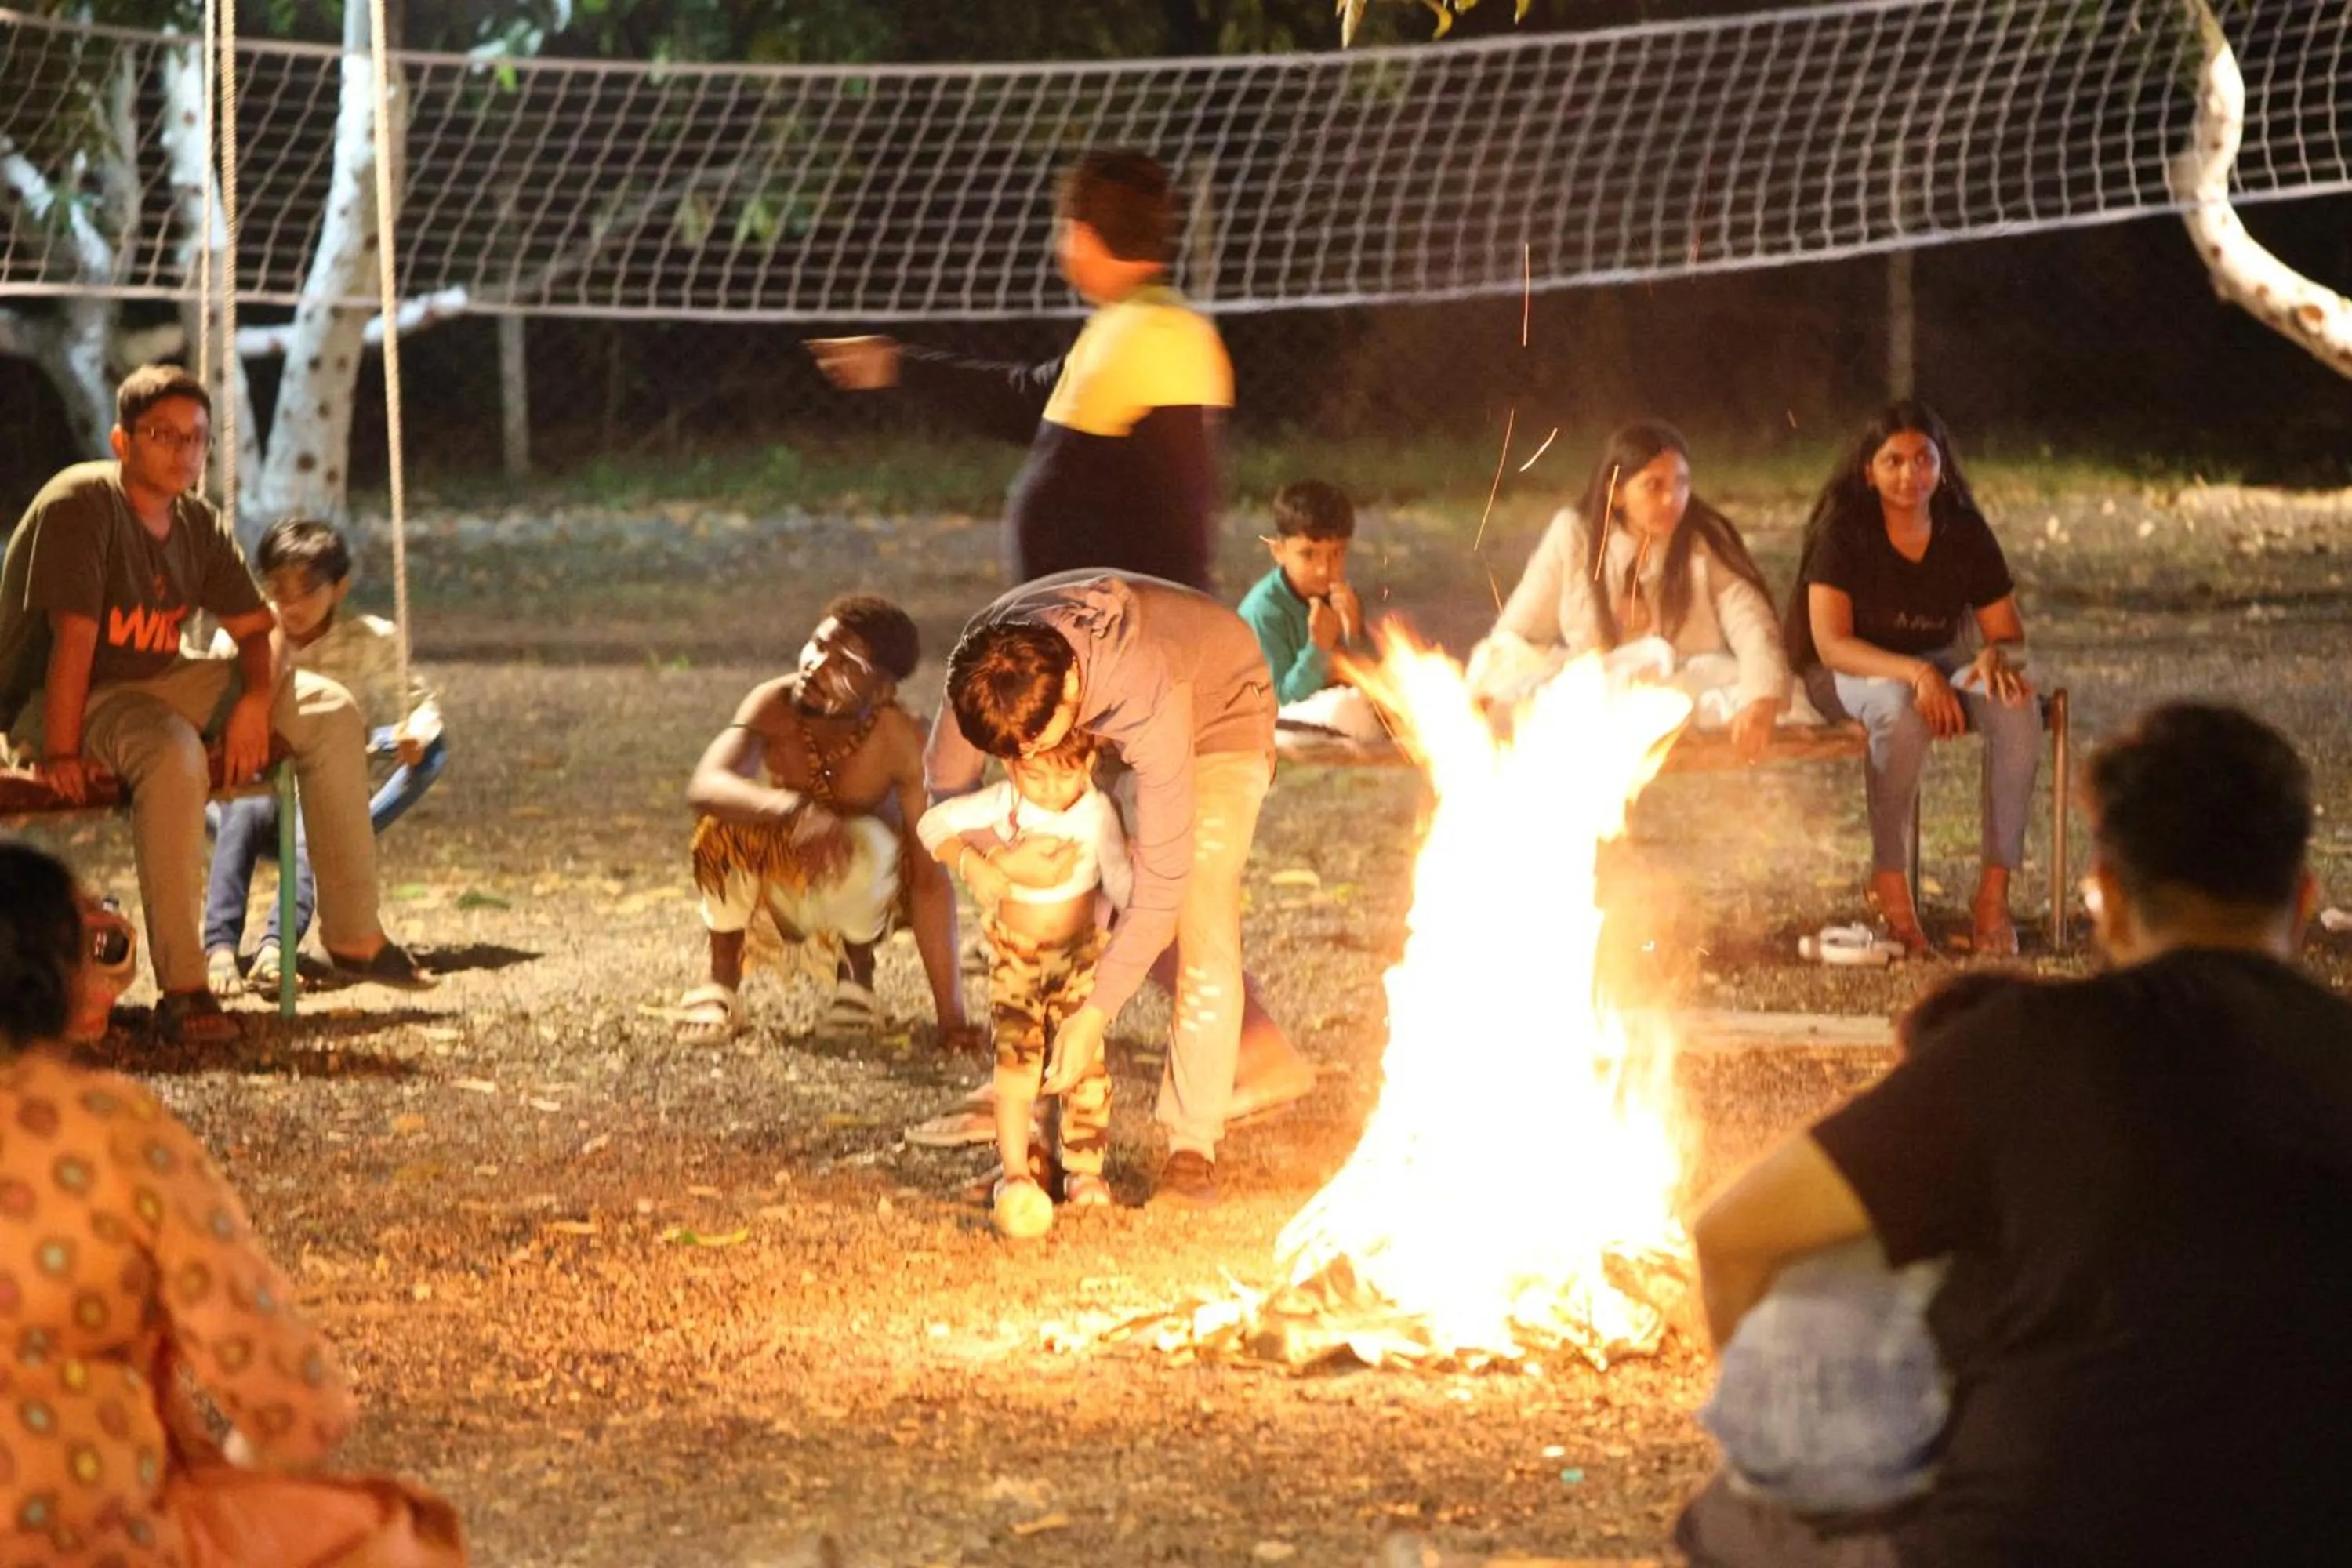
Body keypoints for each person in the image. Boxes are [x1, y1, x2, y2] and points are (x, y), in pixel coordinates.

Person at [1680, 702, 2352, 1567]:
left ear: (2107, 898)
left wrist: (1812, 1435)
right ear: (2305, 898)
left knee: (1730, 1520)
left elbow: (1737, 1234)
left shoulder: (2030, 1045)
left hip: (2021, 1538)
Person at [0, 839, 465, 1565]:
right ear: (57, 977)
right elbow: (290, 1398)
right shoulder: (113, 1133)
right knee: (403, 1539)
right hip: (103, 1542)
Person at [0, 364, 430, 1047]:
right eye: (163, 435)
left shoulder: (196, 521)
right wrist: (58, 752)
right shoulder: (83, 503)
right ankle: (186, 985)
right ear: (122, 441)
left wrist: (255, 702)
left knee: (328, 709)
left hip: (159, 678)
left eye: (197, 437)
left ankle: (352, 934)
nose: (184, 451)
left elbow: (262, 629)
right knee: (173, 750)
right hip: (58, 697)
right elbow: (73, 643)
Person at [926, 570, 1316, 1207]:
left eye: (1031, 748)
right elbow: (947, 791)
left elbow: (1160, 886)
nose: (1020, 769)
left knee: (1198, 897)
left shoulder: (1144, 691)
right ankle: (1038, 1140)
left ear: (1068, 699)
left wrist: (1096, 1011)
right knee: (1070, 900)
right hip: (1097, 702)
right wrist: (995, 860)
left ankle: (1192, 1146)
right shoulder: (984, 665)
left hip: (1219, 709)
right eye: (1008, 758)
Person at [808, 149, 1232, 592]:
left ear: (1080, 236)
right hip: (1112, 619)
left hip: (1120, 624)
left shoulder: (1146, 334)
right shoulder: (1144, 323)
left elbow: (1162, 528)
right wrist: (897, 365)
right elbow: (1028, 399)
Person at [1786, 401, 2040, 955]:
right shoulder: (1844, 534)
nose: (1911, 474)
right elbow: (1832, 644)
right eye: (1894, 461)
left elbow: (2008, 636)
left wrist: (1997, 658)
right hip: (1846, 672)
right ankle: (1890, 883)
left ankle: (1993, 898)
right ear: (1869, 472)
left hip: (1934, 663)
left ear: (1942, 466)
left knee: (2017, 705)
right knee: (1898, 711)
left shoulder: (1964, 530)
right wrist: (1918, 672)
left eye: (1924, 459)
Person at [676, 593, 971, 1050]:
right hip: (790, 880)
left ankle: (857, 982)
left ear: (881, 692)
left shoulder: (903, 739)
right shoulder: (773, 704)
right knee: (724, 825)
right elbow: (706, 784)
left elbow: (930, 880)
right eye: (817, 645)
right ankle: (721, 983)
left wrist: (953, 1021)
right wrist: (795, 810)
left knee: (872, 839)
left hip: (867, 890)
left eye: (845, 664)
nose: (816, 666)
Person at [201, 517, 447, 995]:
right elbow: (210, 711)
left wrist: (415, 737)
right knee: (247, 806)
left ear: (340, 588)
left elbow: (420, 706)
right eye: (278, 590)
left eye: (308, 590)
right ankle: (219, 947)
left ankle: (276, 948)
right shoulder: (242, 637)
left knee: (315, 813)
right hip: (253, 778)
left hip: (329, 790)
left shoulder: (369, 639)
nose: (291, 605)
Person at [1465, 420, 1788, 760]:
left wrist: (1762, 698)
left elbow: (1751, 622)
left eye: (1681, 483)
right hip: (1599, 689)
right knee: (1522, 694)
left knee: (1752, 701)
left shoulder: (1704, 540)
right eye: (1654, 486)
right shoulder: (1574, 535)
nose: (1672, 499)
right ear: (1616, 493)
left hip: (1684, 686)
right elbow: (1518, 633)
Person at [916, 734, 1133, 1233]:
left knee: (1085, 1065)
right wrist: (972, 863)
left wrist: (1147, 910)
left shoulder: (1096, 812)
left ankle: (1084, 1170)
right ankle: (1015, 1171)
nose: (1052, 789)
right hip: (1016, 958)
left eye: (1065, 775)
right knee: (1015, 1064)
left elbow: (1119, 878)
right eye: (1037, 776)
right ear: (1011, 767)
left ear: (1088, 762)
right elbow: (932, 824)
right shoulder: (1003, 804)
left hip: (1079, 955)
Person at [1236, 478, 1386, 743]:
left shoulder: (1340, 597)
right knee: (1346, 711)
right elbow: (1279, 702)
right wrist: (1318, 648)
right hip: (1273, 729)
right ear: (1278, 551)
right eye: (1308, 554)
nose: (1323, 569)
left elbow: (1374, 680)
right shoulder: (1263, 612)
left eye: (1336, 554)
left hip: (1337, 718)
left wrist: (1354, 633)